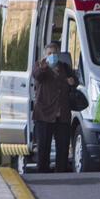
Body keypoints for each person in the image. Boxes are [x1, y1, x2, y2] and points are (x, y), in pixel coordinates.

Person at [31, 43, 79, 173]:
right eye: (49, 53)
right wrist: (44, 67)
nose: (52, 56)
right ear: (45, 55)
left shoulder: (65, 67)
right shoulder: (39, 66)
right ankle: (42, 173)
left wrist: (72, 81)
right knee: (43, 147)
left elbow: (75, 80)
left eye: (54, 53)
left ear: (58, 55)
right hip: (44, 114)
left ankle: (61, 172)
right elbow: (37, 76)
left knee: (63, 147)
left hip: (62, 114)